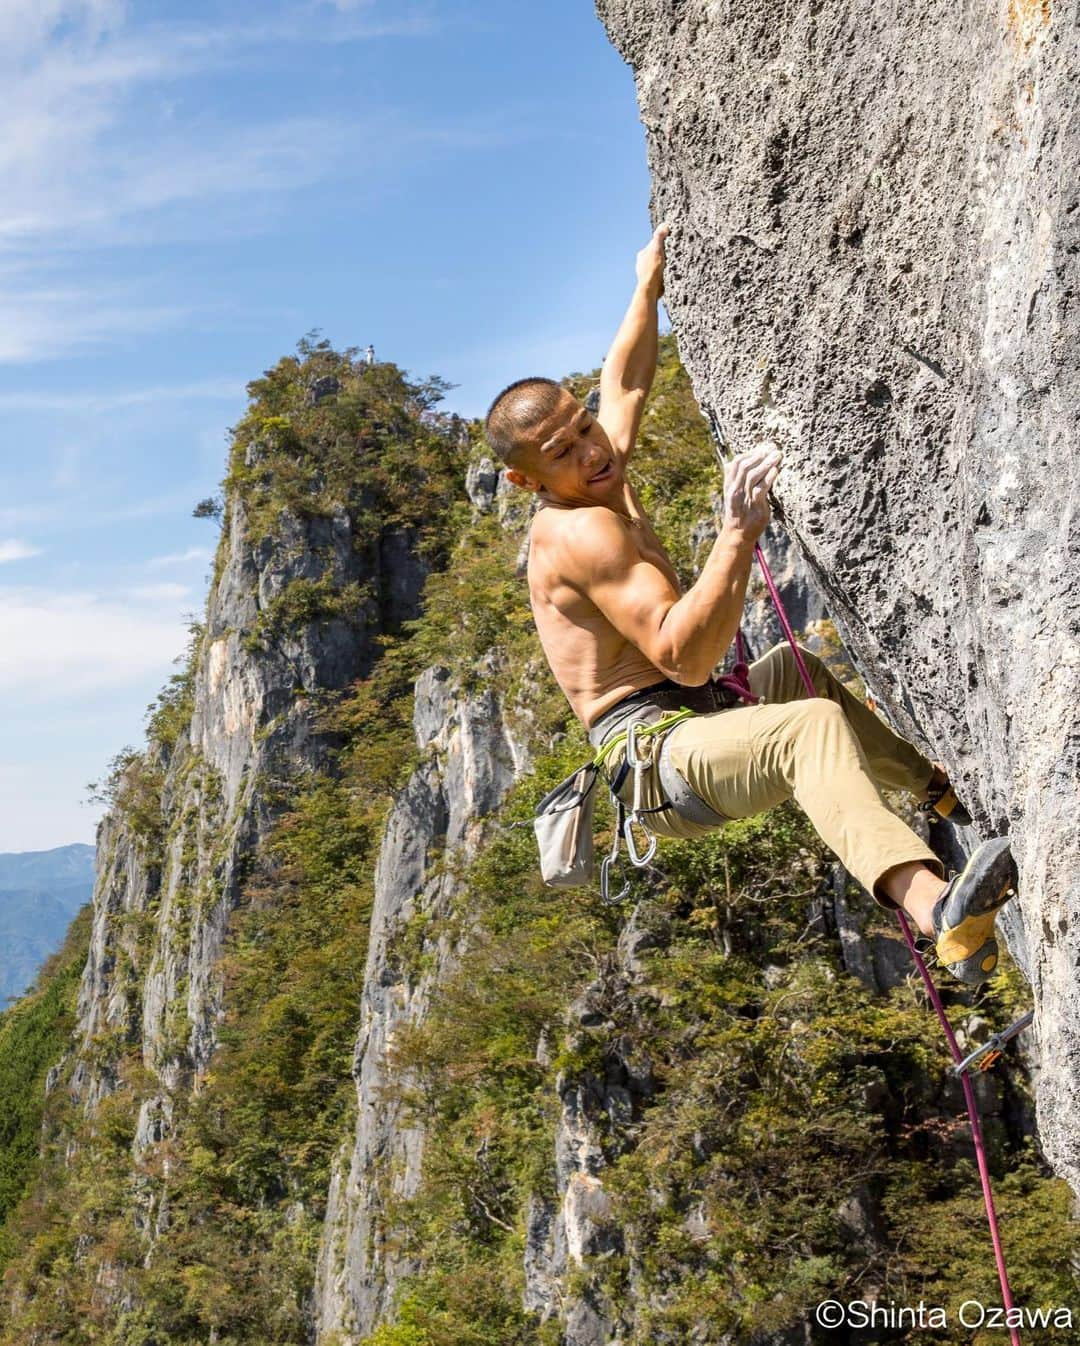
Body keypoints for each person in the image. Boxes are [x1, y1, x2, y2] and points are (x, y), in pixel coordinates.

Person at [484, 222, 1018, 984]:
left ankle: (943, 791)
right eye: (563, 452)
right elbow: (683, 653)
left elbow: (627, 383)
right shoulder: (577, 536)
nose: (594, 450)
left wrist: (647, 285)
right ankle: (939, 913)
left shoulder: (597, 467)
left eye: (584, 427)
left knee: (794, 671)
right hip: (657, 760)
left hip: (692, 718)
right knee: (808, 728)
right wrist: (737, 532)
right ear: (526, 481)